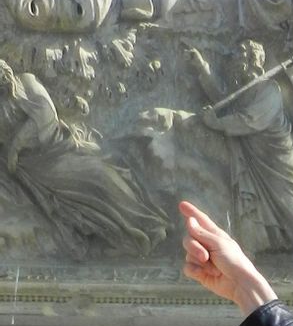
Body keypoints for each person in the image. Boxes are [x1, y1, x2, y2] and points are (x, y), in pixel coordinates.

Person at [0, 60, 169, 258]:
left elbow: (47, 113)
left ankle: (146, 225)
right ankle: (124, 236)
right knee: (80, 193)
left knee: (98, 174)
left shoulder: (27, 82)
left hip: (58, 146)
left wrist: (16, 145)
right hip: (33, 167)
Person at [186, 41, 293, 258]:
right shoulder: (246, 91)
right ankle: (274, 243)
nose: (233, 62)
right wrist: (202, 68)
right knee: (260, 201)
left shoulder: (269, 89)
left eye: (239, 57)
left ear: (251, 61)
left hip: (274, 156)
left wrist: (215, 123)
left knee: (285, 197)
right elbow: (224, 102)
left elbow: (249, 120)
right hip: (254, 153)